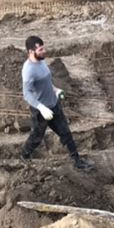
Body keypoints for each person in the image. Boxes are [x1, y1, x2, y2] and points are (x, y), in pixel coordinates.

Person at [20, 35, 93, 170]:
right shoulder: (28, 71)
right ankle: (24, 156)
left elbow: (46, 83)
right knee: (36, 137)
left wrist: (56, 90)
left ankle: (77, 161)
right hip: (41, 112)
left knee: (66, 133)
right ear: (31, 52)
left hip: (54, 105)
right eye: (40, 49)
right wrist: (41, 108)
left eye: (43, 48)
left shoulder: (41, 62)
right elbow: (27, 94)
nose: (44, 51)